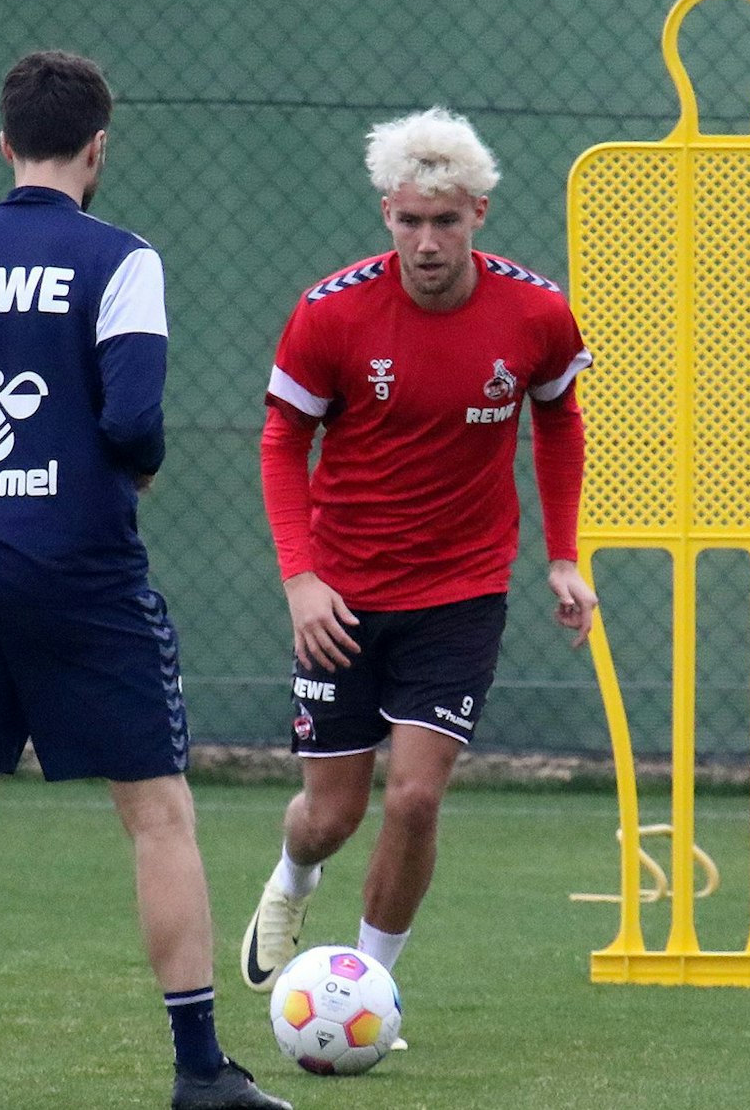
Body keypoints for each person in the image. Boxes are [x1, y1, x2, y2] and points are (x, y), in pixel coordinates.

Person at [0, 50, 289, 1110]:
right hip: (77, 568)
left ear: (2, 141)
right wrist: (129, 475)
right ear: (98, 145)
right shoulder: (121, 260)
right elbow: (132, 416)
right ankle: (199, 1069)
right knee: (157, 814)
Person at [238, 107, 600, 1030]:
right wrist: (301, 579)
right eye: (410, 220)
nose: (427, 241)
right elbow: (285, 441)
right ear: (386, 215)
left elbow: (558, 417)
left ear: (479, 213)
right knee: (332, 816)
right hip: (343, 597)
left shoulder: (537, 310)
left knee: (415, 797)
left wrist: (562, 554)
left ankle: (365, 987)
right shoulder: (333, 311)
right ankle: (292, 877)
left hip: (462, 592)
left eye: (446, 220)